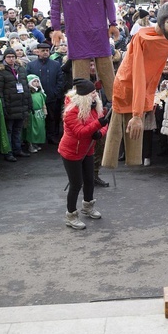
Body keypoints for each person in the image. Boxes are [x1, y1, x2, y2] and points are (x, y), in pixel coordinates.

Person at [102, 1, 168, 168]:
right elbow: (138, 74)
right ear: (162, 20)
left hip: (147, 86)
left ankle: (132, 161)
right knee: (118, 127)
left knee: (135, 143)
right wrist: (136, 114)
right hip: (128, 82)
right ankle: (107, 162)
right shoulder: (141, 37)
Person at [49, 0, 117, 101]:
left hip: (99, 32)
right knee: (80, 85)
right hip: (77, 34)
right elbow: (54, 6)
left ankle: (117, 113)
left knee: (110, 81)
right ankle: (82, 115)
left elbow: (109, 1)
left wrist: (113, 23)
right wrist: (56, 28)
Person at [59, 78, 109, 230]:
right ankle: (71, 215)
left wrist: (100, 133)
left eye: (95, 92)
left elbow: (103, 124)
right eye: (93, 93)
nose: (96, 95)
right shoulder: (71, 111)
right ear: (84, 96)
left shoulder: (94, 106)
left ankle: (88, 206)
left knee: (89, 180)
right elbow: (80, 133)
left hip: (88, 150)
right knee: (76, 184)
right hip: (71, 152)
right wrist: (98, 125)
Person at [0, 47, 32, 162]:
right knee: (8, 130)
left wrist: (29, 103)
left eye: (13, 56)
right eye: (9, 57)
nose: (11, 59)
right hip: (9, 105)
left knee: (18, 129)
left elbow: (26, 87)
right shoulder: (0, 71)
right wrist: (3, 106)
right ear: (4, 58)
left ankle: (17, 149)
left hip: (21, 104)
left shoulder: (21, 69)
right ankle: (8, 152)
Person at [26, 42, 65, 144]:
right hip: (36, 98)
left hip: (51, 96)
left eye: (47, 51)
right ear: (37, 52)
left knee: (52, 118)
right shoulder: (31, 65)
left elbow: (60, 80)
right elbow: (28, 80)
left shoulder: (55, 64)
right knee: (38, 118)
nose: (45, 53)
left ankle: (51, 136)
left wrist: (55, 93)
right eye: (43, 51)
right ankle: (38, 138)